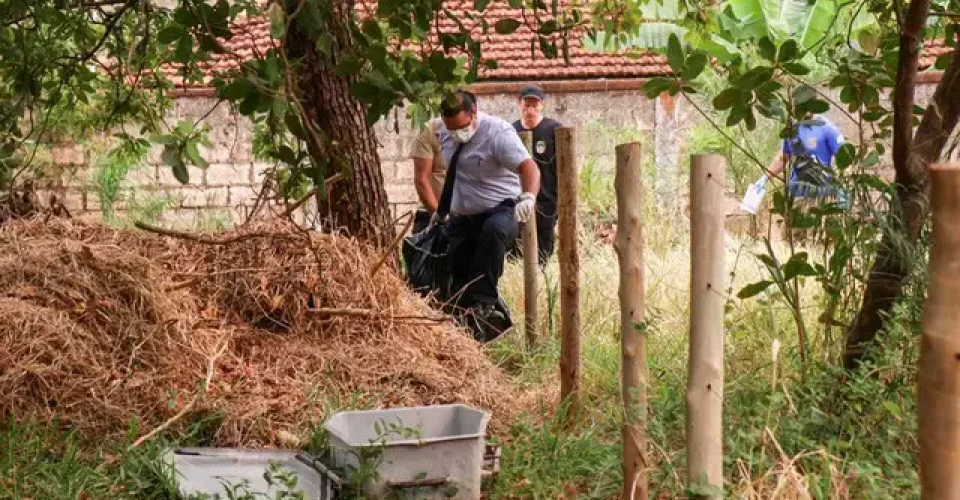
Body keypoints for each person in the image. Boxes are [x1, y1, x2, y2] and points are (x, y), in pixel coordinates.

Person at [436, 90, 540, 340]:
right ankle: (470, 326)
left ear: (474, 113)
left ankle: (486, 304)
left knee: (492, 233)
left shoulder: (497, 133)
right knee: (456, 271)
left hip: (501, 209)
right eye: (451, 129)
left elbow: (529, 167)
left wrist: (529, 196)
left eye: (460, 127)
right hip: (463, 216)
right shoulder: (444, 134)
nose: (456, 134)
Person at [765, 114, 846, 241]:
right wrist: (764, 178)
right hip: (797, 196)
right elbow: (782, 157)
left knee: (819, 242)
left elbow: (844, 157)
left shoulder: (826, 128)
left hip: (821, 197)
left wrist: (843, 193)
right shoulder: (792, 129)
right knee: (791, 241)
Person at [512, 84, 562, 266]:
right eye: (527, 105)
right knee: (516, 246)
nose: (530, 110)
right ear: (519, 104)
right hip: (518, 198)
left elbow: (562, 167)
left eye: (535, 105)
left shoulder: (554, 130)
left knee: (544, 247)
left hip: (547, 199)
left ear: (542, 105)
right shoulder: (511, 131)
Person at [409, 117, 446, 233]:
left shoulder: (484, 132)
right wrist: (440, 217)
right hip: (431, 214)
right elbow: (421, 179)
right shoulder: (429, 131)